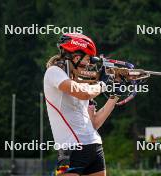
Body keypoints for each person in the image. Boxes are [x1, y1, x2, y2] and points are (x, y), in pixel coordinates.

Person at [44, 33, 120, 176]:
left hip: (93, 145)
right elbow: (84, 93)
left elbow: (94, 123)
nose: (90, 64)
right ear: (76, 57)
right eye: (88, 59)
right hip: (73, 148)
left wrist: (115, 95)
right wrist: (103, 83)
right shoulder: (54, 72)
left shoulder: (79, 80)